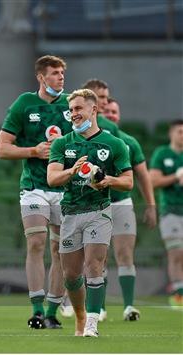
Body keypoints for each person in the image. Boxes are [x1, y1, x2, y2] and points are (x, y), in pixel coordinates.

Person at [47, 89, 133, 337]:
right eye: (71, 109)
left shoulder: (114, 144)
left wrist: (107, 181)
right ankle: (81, 316)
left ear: (93, 110)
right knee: (71, 276)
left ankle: (92, 325)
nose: (73, 114)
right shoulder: (63, 143)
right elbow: (52, 178)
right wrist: (72, 172)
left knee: (95, 265)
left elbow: (128, 182)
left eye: (78, 108)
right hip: (71, 213)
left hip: (99, 210)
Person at [0, 55, 69, 329]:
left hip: (64, 187)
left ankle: (53, 311)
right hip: (34, 188)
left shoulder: (71, 105)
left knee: (60, 249)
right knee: (36, 243)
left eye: (62, 72)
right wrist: (33, 151)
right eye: (54, 73)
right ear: (40, 77)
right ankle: (37, 310)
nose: (60, 77)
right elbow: (1, 148)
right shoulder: (24, 104)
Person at [104, 97, 157, 320]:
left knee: (125, 254)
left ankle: (128, 307)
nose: (111, 115)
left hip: (122, 203)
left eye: (114, 112)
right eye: (106, 111)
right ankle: (99, 309)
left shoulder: (129, 142)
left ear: (119, 116)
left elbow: (143, 176)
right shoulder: (87, 140)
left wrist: (151, 205)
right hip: (96, 205)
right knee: (98, 258)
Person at [81, 78, 121, 320]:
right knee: (71, 259)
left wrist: (104, 180)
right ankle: (68, 300)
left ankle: (97, 309)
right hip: (74, 203)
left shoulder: (113, 133)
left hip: (104, 202)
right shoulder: (70, 129)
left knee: (98, 257)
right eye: (102, 98)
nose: (105, 103)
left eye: (107, 98)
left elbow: (125, 172)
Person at [149, 119, 183, 308]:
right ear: (171, 133)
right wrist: (176, 177)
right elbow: (153, 181)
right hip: (170, 210)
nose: (182, 135)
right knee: (176, 251)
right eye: (180, 131)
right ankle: (179, 294)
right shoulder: (162, 153)